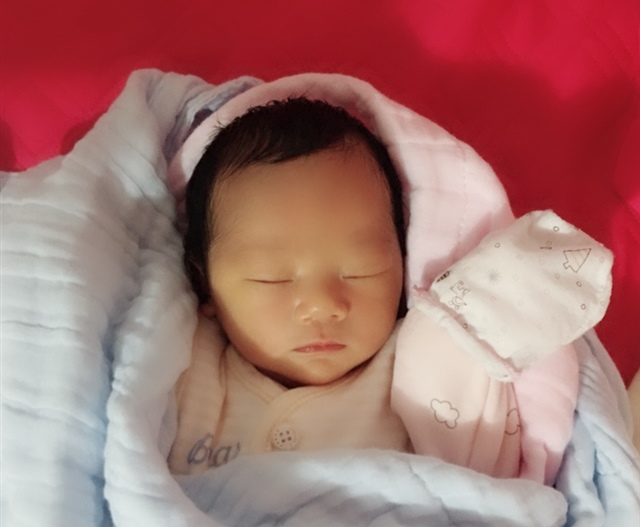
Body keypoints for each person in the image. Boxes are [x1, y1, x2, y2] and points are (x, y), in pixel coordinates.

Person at [167, 95, 611, 479]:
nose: (323, 305)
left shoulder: (423, 367)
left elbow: (486, 483)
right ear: (204, 283)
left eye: (361, 270)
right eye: (272, 277)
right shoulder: (183, 370)